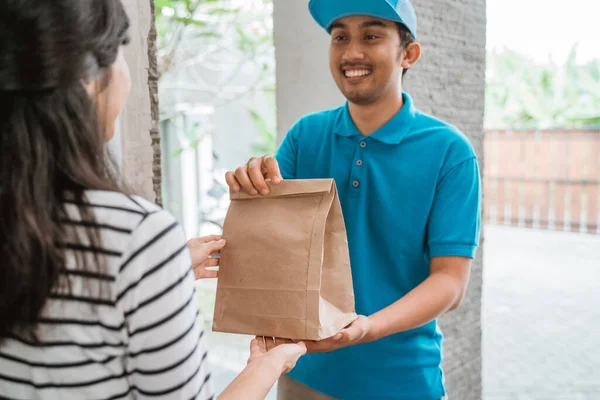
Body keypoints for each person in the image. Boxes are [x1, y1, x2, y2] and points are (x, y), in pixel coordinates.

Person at [0, 0, 305, 399]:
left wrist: (161, 270)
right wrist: (265, 367)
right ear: (88, 80)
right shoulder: (137, 237)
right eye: (122, 54)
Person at [224, 0, 482, 399]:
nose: (351, 52)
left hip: (402, 380)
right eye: (340, 36)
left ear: (408, 54)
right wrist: (249, 198)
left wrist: (367, 327)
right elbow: (275, 251)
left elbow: (449, 280)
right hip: (302, 372)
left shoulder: (449, 151)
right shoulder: (305, 135)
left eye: (372, 35)